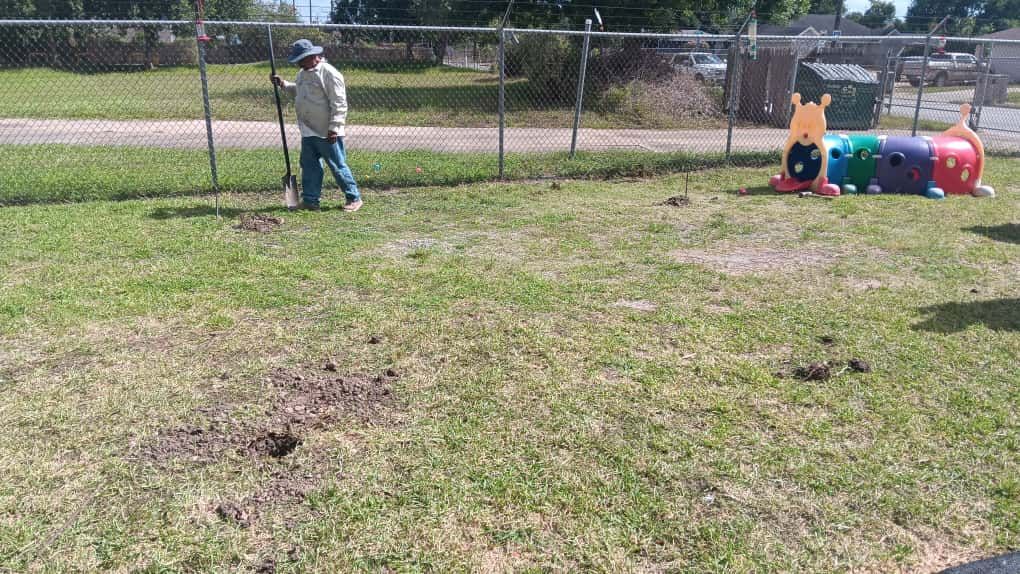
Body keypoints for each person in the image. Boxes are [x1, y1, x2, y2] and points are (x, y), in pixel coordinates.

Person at [270, 39, 362, 212]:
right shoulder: (302, 73)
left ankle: (353, 197)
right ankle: (311, 201)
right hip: (308, 130)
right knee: (309, 166)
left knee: (337, 165)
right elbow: (299, 90)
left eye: (301, 59)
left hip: (327, 131)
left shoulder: (329, 73)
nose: (298, 63)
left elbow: (339, 103)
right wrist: (283, 84)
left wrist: (334, 128)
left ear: (313, 56)